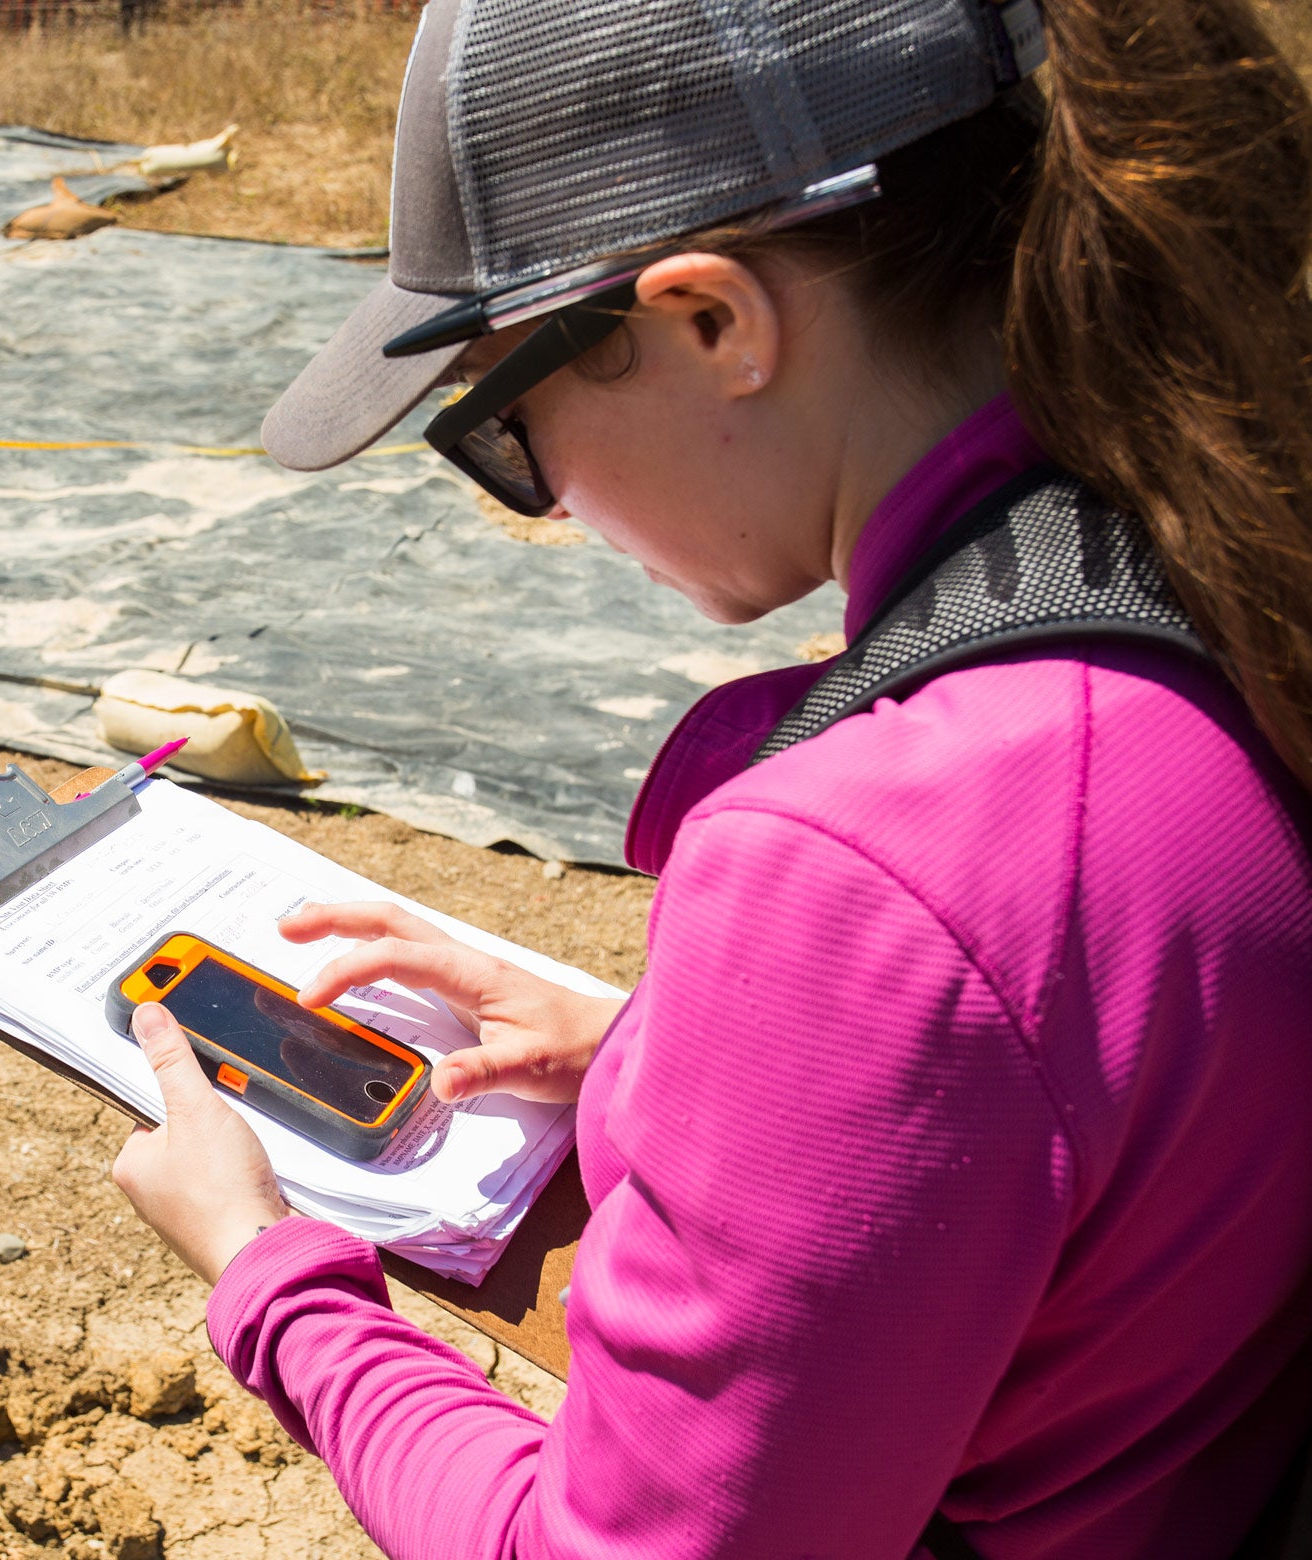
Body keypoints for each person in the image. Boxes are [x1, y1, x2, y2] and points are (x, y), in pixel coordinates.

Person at [109, 0, 1312, 1555]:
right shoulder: (1225, 548)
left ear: (711, 322)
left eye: (502, 421)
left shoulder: (871, 880)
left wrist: (271, 1271)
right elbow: (1096, 1089)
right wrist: (657, 1056)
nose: (538, 500)